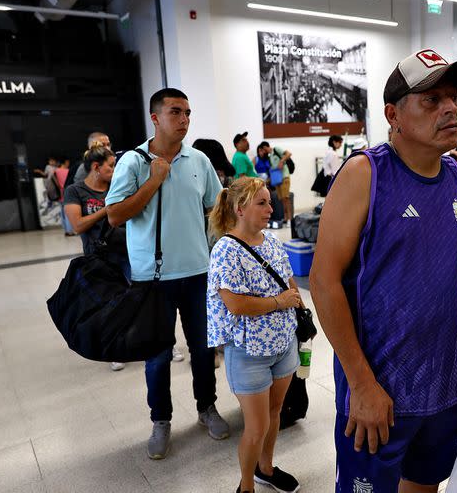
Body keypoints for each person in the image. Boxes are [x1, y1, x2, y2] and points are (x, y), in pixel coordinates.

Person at [310, 48, 457, 493]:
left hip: (447, 387)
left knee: (424, 487)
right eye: (431, 100)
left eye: (452, 97)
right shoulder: (365, 175)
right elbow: (323, 281)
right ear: (393, 114)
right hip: (381, 394)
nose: (450, 108)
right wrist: (361, 384)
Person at [105, 87, 229, 460]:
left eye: (188, 113)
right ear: (155, 118)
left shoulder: (199, 160)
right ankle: (161, 420)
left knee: (203, 349)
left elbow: (216, 209)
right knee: (157, 355)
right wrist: (155, 179)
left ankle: (206, 407)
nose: (184, 120)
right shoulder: (134, 162)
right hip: (152, 277)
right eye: (176, 112)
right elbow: (115, 216)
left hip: (197, 273)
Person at [207, 176, 302, 493]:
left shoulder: (272, 240)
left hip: (283, 344)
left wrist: (291, 298)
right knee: (257, 425)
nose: (269, 208)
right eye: (261, 203)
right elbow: (234, 303)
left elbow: (289, 279)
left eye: (269, 202)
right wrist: (280, 302)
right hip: (248, 352)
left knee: (275, 414)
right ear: (239, 209)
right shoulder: (225, 250)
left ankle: (266, 468)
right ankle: (245, 485)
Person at [63, 143, 130, 372]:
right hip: (98, 257)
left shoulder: (118, 186)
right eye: (111, 166)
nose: (114, 170)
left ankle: (145, 342)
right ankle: (114, 350)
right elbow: (78, 225)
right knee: (107, 305)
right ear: (95, 166)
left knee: (137, 296)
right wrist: (108, 209)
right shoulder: (76, 191)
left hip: (127, 251)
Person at [259, 142, 293, 224]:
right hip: (277, 179)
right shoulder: (270, 157)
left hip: (284, 176)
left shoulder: (276, 149)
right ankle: (285, 218)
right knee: (281, 199)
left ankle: (290, 219)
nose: (263, 152)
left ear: (265, 147)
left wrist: (282, 161)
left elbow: (288, 154)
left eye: (262, 150)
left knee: (286, 198)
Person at [55, 159, 75, 236]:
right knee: (68, 212)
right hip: (67, 192)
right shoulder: (68, 171)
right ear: (66, 162)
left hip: (60, 193)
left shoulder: (56, 171)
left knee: (63, 213)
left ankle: (66, 230)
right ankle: (70, 230)